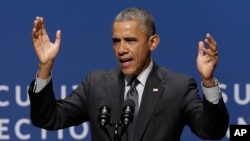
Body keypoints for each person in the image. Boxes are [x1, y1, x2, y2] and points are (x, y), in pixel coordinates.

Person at [28, 7, 229, 141]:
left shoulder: (177, 87)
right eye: (116, 41)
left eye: (130, 40)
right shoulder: (96, 84)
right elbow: (48, 119)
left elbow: (212, 131)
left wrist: (208, 81)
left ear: (153, 42)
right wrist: (45, 66)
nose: (121, 49)